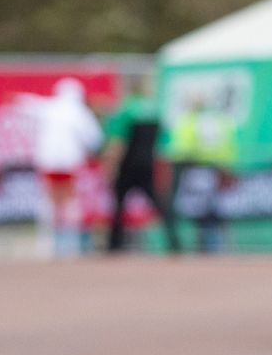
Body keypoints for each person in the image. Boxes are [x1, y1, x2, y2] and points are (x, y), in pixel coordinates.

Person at [25, 78, 103, 258]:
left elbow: (29, 105)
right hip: (68, 162)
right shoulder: (79, 112)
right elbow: (94, 139)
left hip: (48, 161)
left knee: (49, 201)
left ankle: (46, 244)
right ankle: (71, 244)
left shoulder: (51, 107)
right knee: (69, 201)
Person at [103, 75, 179, 254]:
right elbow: (164, 144)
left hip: (127, 167)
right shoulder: (155, 111)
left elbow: (118, 143)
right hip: (148, 165)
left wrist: (110, 167)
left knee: (118, 206)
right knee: (160, 206)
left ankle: (114, 246)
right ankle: (175, 243)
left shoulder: (124, 110)